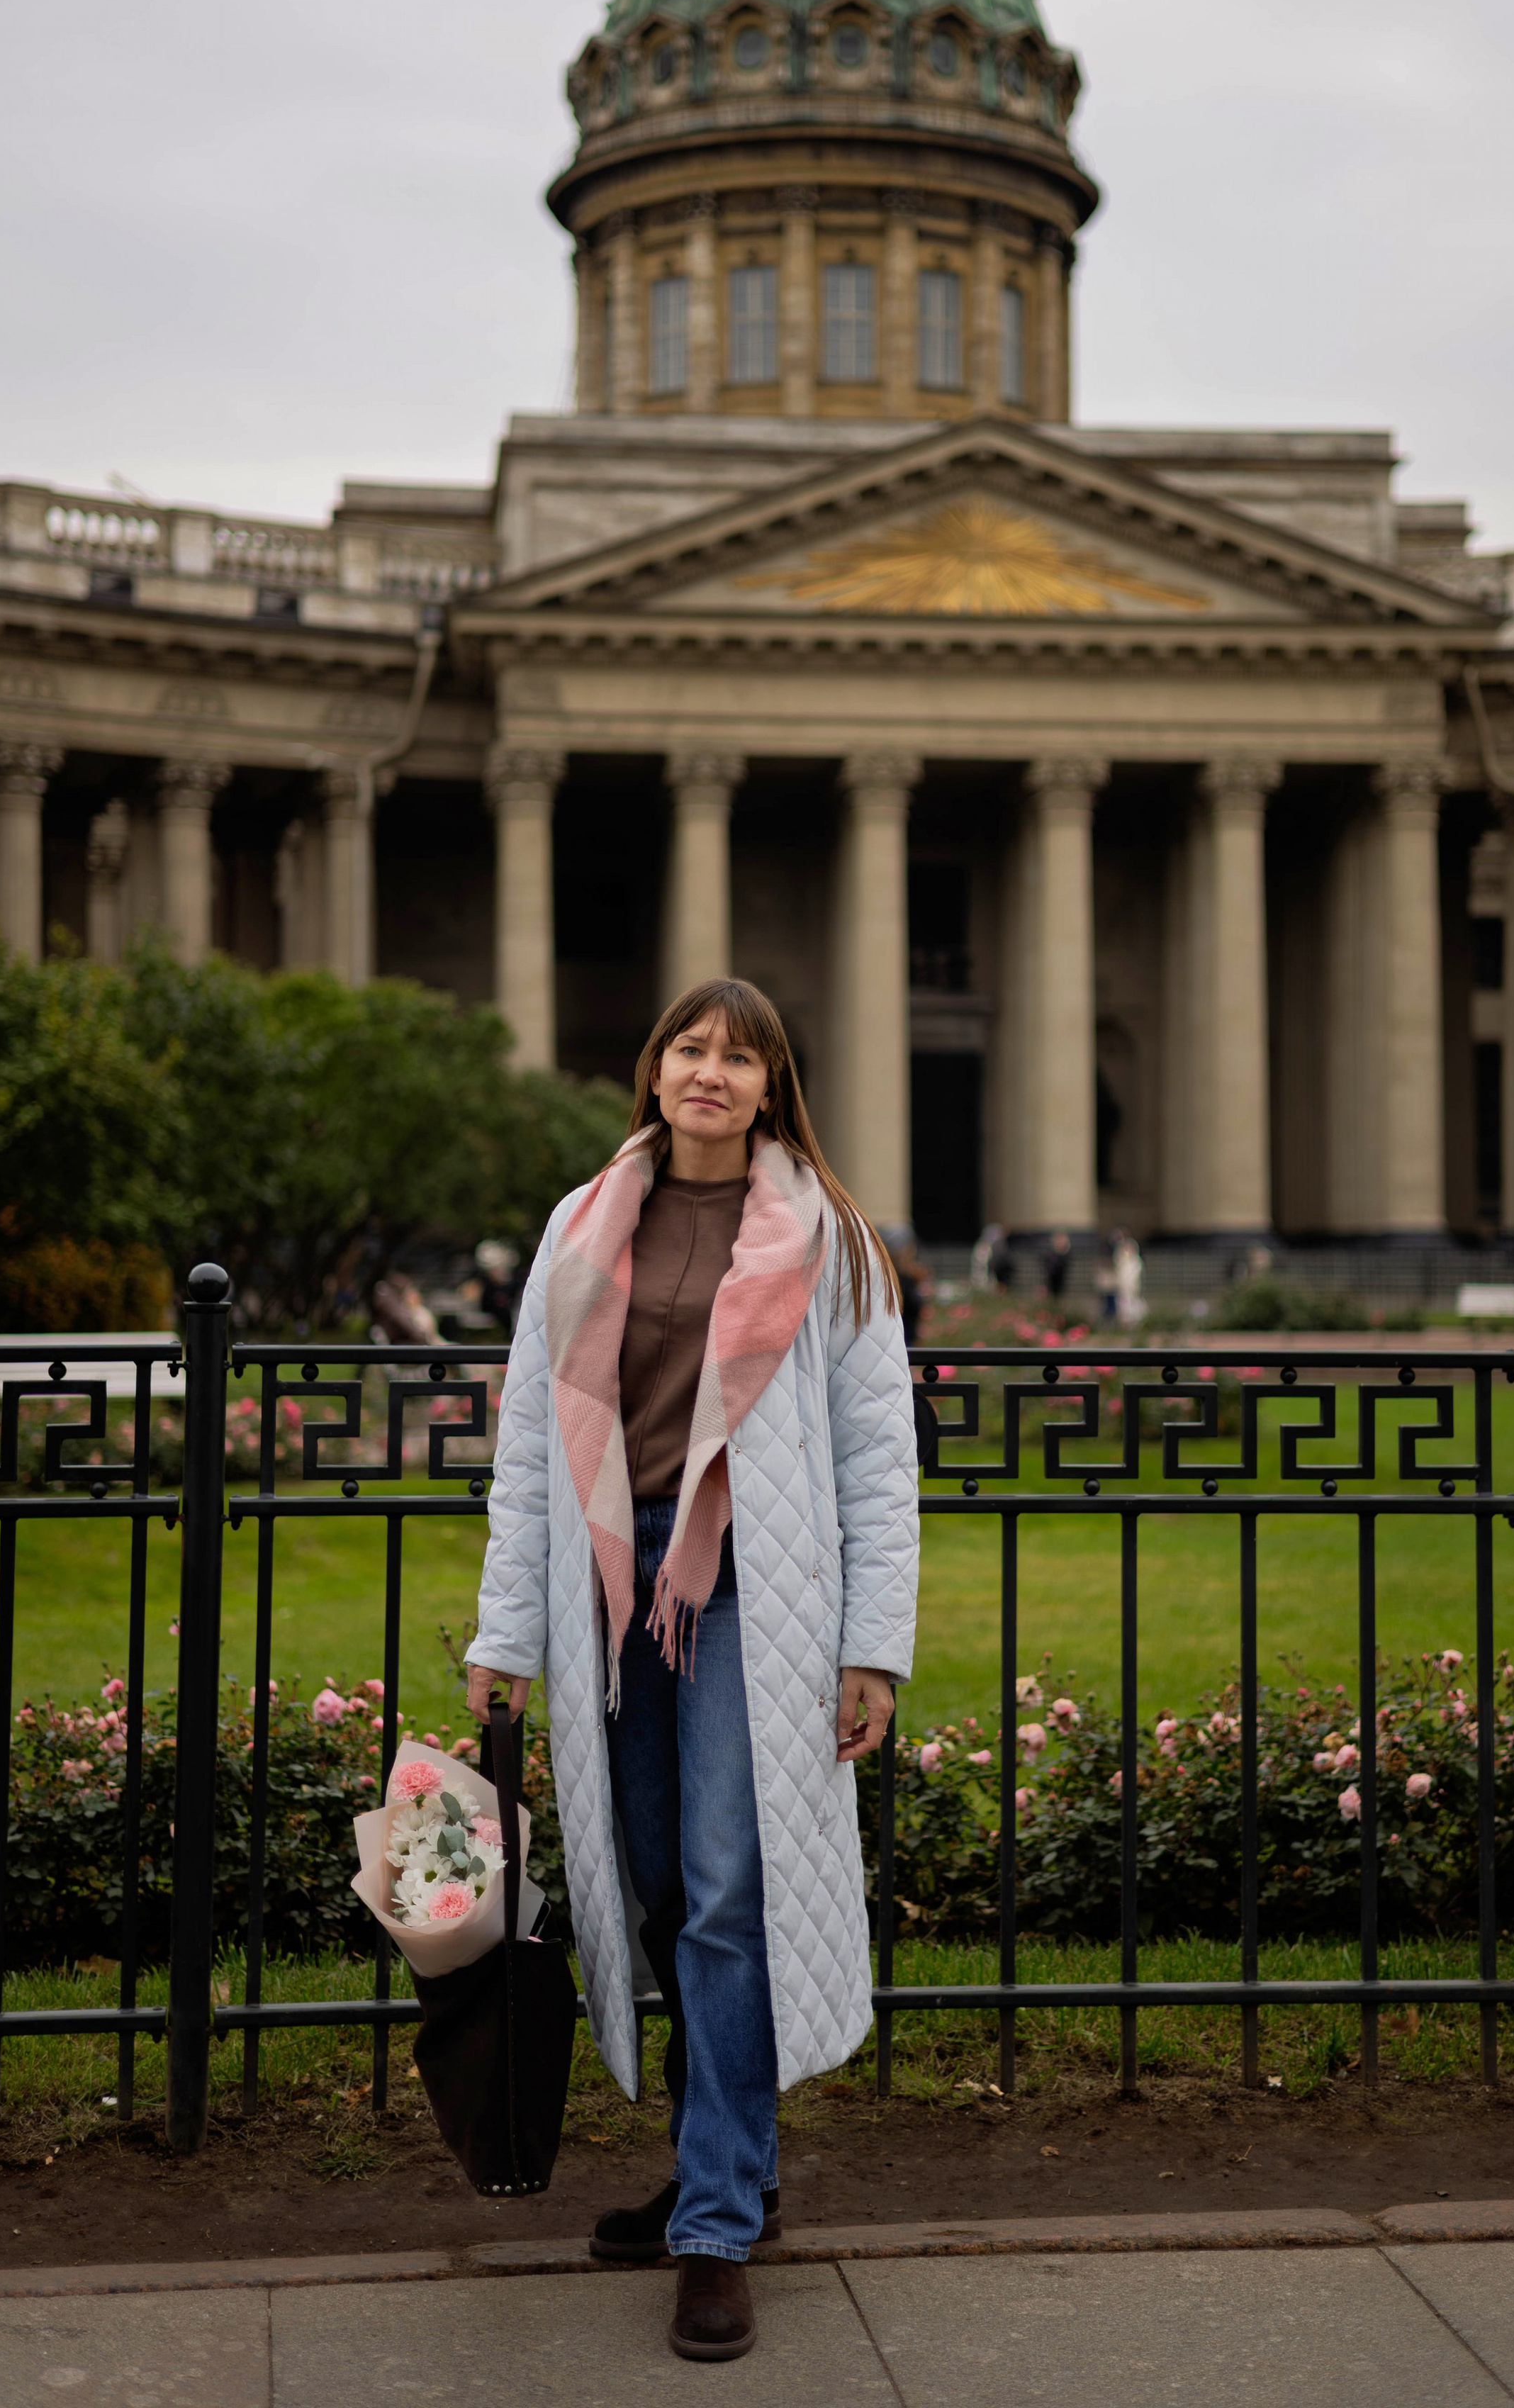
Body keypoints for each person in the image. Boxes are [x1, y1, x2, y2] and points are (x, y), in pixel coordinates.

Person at [465, 978, 919, 2364]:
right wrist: (500, 1634)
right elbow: (532, 1441)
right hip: (610, 1580)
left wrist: (870, 1645)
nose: (709, 1071)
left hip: (750, 1591)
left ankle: (715, 2225)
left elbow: (873, 1455)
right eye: (688, 1047)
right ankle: (726, 2148)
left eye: (739, 1056)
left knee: (728, 1890)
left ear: (773, 1088)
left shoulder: (830, 1240)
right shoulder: (580, 1221)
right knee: (653, 1879)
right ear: (654, 1069)